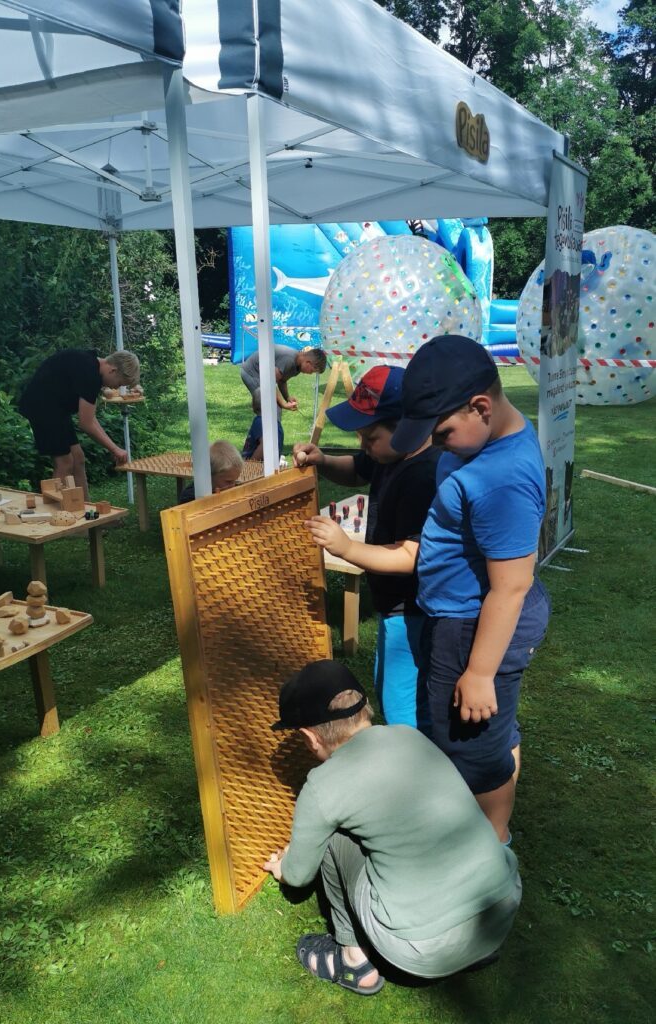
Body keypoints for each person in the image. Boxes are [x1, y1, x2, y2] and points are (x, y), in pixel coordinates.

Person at [263, 660, 522, 994]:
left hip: (423, 948)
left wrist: (283, 866)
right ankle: (473, 953)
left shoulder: (322, 786)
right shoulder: (410, 736)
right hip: (499, 914)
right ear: (363, 708)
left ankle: (354, 963)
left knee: (332, 840)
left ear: (310, 737)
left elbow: (298, 876)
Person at [385, 334, 550, 843]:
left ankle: (489, 845)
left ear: (481, 407)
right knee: (491, 732)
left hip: (473, 624)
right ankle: (490, 818)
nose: (435, 444)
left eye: (442, 433)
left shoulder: (502, 477)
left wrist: (479, 672)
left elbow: (511, 587)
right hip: (462, 615)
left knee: (469, 739)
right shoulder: (484, 441)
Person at [295, 365, 439, 728]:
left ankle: (414, 766)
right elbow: (357, 469)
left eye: (369, 437)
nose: (363, 446)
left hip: (413, 611)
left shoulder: (423, 475)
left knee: (403, 705)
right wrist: (323, 460)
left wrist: (346, 549)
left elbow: (411, 555)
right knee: (390, 687)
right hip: (394, 609)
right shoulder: (388, 455)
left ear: (406, 426)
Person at [18, 348, 139, 499]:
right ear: (113, 370)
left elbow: (90, 419)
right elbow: (86, 423)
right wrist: (114, 449)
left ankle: (87, 511)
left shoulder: (90, 362)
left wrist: (114, 447)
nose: (115, 387)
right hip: (42, 407)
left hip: (56, 408)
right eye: (120, 383)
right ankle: (58, 514)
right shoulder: (91, 376)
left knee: (78, 458)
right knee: (65, 463)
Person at [239, 345, 327, 416]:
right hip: (252, 373)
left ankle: (262, 436)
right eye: (312, 371)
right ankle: (260, 437)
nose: (310, 373)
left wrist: (287, 398)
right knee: (270, 409)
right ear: (308, 362)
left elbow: (282, 380)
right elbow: (270, 382)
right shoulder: (289, 360)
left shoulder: (297, 366)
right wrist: (283, 404)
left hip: (263, 376)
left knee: (273, 409)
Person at [178, 441, 244, 503]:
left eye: (235, 481)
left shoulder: (227, 489)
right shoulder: (191, 497)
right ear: (208, 476)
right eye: (228, 481)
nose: (233, 486)